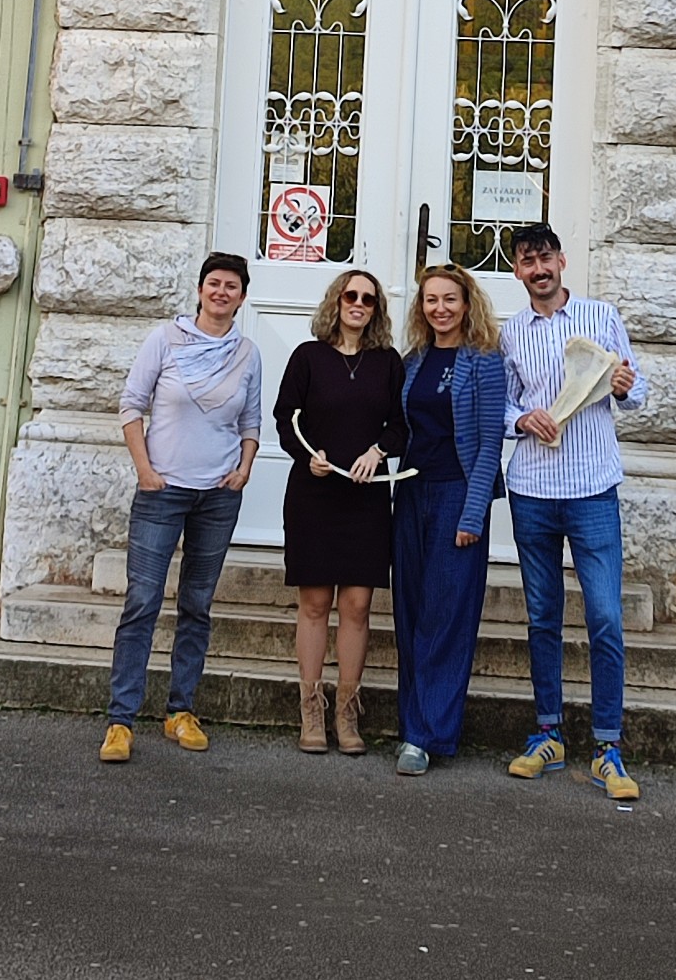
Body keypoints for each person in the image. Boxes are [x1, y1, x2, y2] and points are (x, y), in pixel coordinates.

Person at [498, 223, 647, 804]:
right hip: (532, 488)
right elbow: (500, 403)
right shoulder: (511, 332)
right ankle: (549, 734)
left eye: (545, 258)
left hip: (591, 487)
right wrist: (520, 418)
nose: (538, 269)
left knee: (605, 616)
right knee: (543, 616)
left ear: (561, 261)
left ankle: (608, 746)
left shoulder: (600, 318)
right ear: (516, 270)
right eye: (526, 262)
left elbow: (636, 391)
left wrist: (625, 385)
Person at [99, 253, 263, 764]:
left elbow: (251, 420)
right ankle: (121, 720)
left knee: (196, 604)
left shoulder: (247, 353)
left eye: (231, 286)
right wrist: (145, 470)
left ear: (242, 296)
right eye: (213, 283)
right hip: (162, 492)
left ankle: (180, 711)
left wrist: (245, 467)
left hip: (218, 495)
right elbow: (131, 405)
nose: (221, 292)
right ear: (199, 290)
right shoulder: (165, 340)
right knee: (142, 601)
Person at [273, 267, 406, 756]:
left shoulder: (388, 362)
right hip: (315, 494)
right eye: (351, 295)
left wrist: (378, 450)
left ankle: (347, 713)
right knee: (314, 604)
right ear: (336, 300)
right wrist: (308, 456)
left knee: (357, 607)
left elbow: (401, 425)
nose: (358, 304)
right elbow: (285, 419)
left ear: (376, 310)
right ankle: (311, 710)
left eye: (368, 299)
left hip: (365, 498)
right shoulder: (307, 357)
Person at [390, 262, 506, 777]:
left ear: (466, 304)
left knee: (446, 616)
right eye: (431, 299)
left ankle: (425, 735)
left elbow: (489, 443)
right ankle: (412, 722)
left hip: (457, 493)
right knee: (411, 612)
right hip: (411, 493)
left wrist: (473, 512)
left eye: (449, 299)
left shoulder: (485, 360)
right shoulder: (413, 360)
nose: (440, 308)